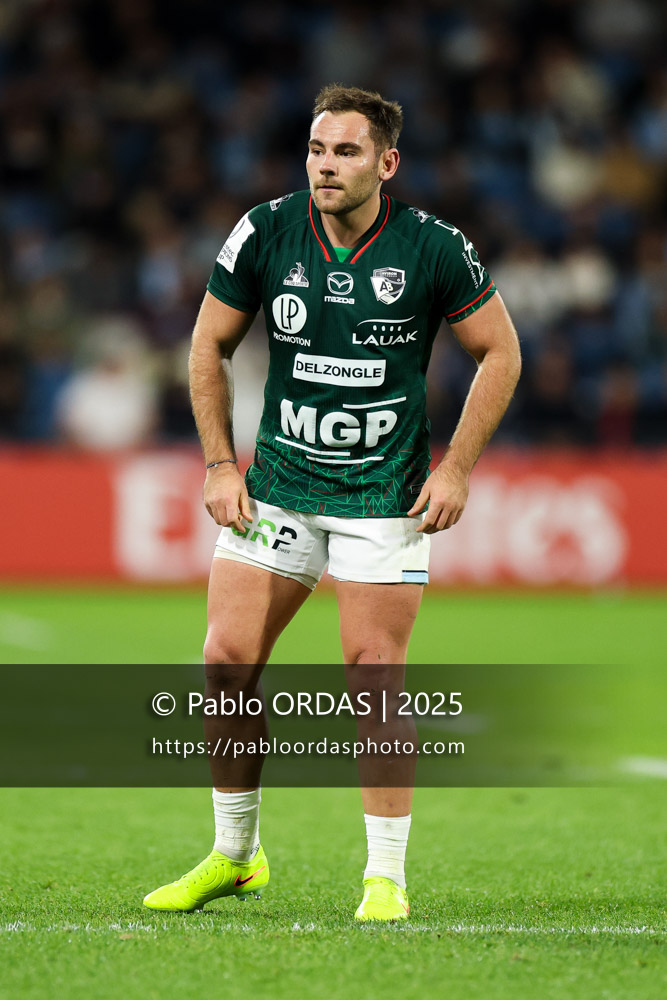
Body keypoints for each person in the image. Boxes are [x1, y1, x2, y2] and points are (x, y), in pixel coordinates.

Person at [143, 84, 521, 921]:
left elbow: (500, 351)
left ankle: (384, 877)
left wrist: (456, 468)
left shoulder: (432, 248)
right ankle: (235, 856)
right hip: (279, 486)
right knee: (225, 663)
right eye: (316, 149)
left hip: (383, 495)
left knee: (372, 678)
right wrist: (219, 464)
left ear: (386, 164)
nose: (325, 165)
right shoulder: (266, 231)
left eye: (346, 151)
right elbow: (208, 342)